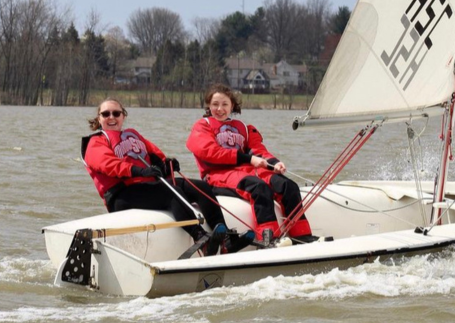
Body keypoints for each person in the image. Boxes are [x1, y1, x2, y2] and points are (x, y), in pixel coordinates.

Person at [83, 98, 246, 256]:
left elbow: (156, 156)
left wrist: (166, 165)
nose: (111, 117)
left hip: (149, 186)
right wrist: (139, 172)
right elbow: (107, 164)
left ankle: (225, 239)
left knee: (199, 187)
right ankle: (200, 237)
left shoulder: (133, 136)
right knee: (171, 192)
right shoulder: (96, 142)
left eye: (116, 113)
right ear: (99, 118)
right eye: (106, 114)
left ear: (123, 116)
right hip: (123, 194)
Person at [186, 83, 314, 244]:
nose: (220, 109)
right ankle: (268, 238)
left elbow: (258, 151)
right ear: (208, 106)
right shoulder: (202, 126)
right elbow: (210, 152)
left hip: (245, 171)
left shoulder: (244, 128)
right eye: (215, 104)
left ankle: (301, 235)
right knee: (259, 188)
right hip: (217, 175)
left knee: (289, 186)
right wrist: (248, 159)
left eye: (225, 104)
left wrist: (274, 163)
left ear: (232, 105)